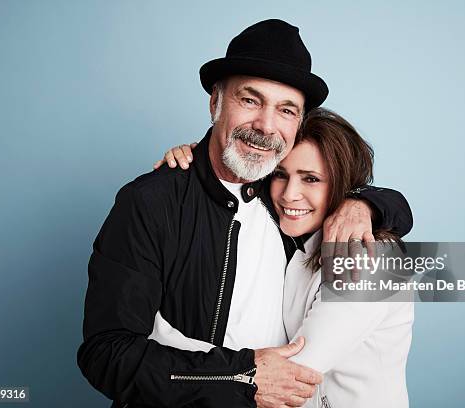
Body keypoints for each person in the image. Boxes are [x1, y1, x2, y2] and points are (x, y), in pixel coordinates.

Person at [77, 19, 413, 408]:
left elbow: (343, 190)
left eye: (286, 110)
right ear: (215, 103)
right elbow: (105, 354)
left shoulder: (293, 205)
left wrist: (369, 204)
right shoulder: (151, 202)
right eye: (250, 100)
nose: (265, 125)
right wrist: (239, 375)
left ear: (298, 123)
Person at [157, 107, 414, 407]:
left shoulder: (372, 258)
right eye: (281, 174)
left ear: (343, 187)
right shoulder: (295, 242)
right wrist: (199, 160)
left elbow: (290, 378)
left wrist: (164, 340)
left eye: (311, 179)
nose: (289, 194)